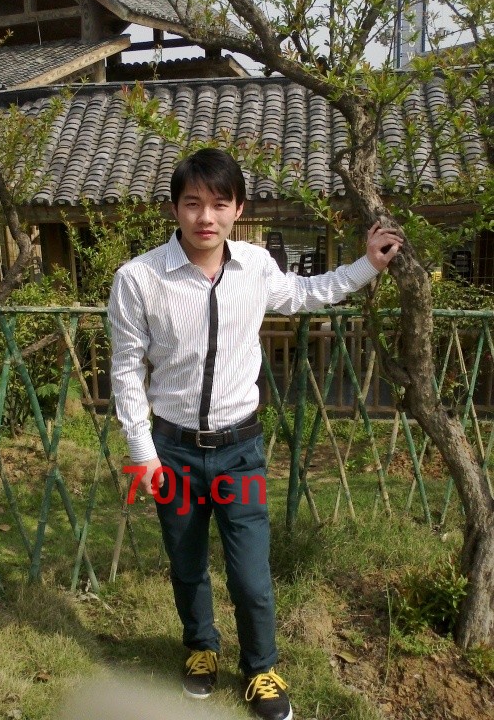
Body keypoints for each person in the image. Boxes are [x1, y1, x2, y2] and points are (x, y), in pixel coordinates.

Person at [108, 148, 403, 720]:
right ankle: (201, 647)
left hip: (239, 451)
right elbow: (125, 370)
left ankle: (261, 668)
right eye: (193, 203)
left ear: (238, 209)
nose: (206, 217)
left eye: (220, 204)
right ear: (175, 207)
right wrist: (142, 454)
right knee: (186, 562)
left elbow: (306, 294)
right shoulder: (138, 278)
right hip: (172, 453)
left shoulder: (255, 267)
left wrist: (367, 264)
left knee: (250, 574)